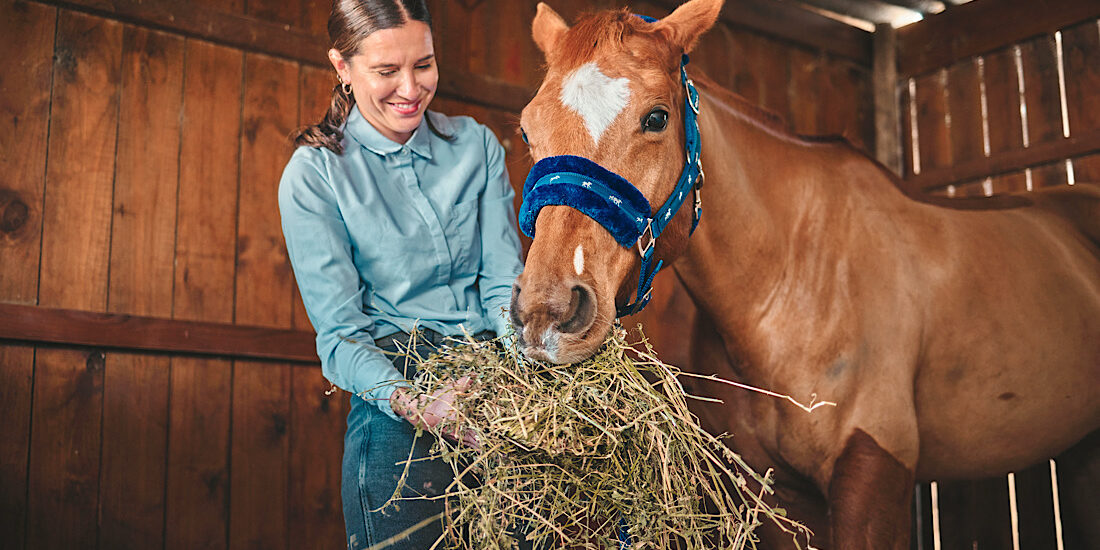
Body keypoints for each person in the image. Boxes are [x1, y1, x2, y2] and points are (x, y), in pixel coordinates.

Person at [277, 1, 524, 548]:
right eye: (386, 71)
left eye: (424, 65)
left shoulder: (477, 146)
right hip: (398, 382)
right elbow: (341, 338)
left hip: (492, 371)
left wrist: (520, 376)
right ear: (342, 67)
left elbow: (504, 283)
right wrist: (418, 404)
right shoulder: (314, 176)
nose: (410, 88)